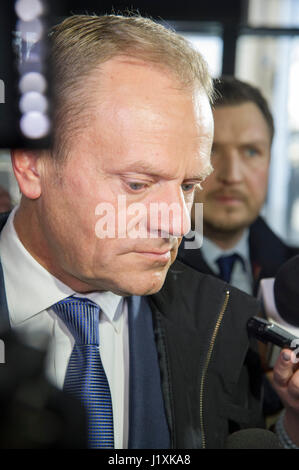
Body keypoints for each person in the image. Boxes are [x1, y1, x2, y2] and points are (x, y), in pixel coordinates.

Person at [0, 14, 298, 449]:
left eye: (188, 185)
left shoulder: (224, 324)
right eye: (137, 185)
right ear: (32, 164)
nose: (179, 222)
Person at [178, 76, 299, 296]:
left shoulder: (293, 276)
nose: (232, 176)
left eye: (251, 152)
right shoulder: (141, 279)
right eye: (211, 150)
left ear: (269, 161)